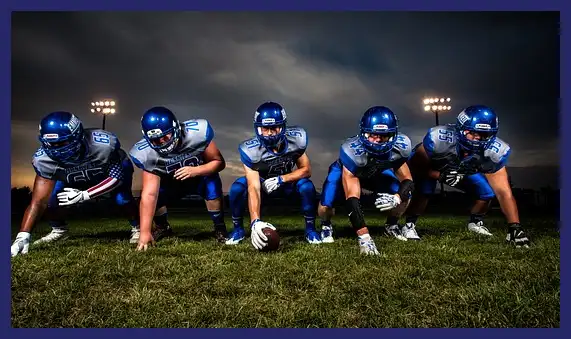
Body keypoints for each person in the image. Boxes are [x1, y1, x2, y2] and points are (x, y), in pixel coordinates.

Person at [11, 111, 139, 257]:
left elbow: (117, 177)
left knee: (122, 199)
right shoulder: (43, 160)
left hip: (105, 173)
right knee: (52, 199)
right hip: (71, 178)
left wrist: (85, 195)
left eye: (63, 142)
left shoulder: (102, 145)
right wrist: (23, 235)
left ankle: (138, 227)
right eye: (52, 144)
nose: (58, 149)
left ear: (78, 135)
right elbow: (38, 202)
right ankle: (59, 230)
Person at [404, 105, 530, 247]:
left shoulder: (495, 152)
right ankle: (409, 225)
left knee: (486, 193)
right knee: (425, 190)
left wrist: (515, 227)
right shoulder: (439, 139)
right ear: (460, 129)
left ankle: (475, 222)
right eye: (472, 132)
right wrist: (440, 175)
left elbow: (504, 192)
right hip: (432, 167)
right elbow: (415, 166)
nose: (477, 139)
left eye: (483, 135)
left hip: (462, 169)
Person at [317, 106, 415, 255]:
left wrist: (397, 197)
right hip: (350, 171)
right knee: (326, 204)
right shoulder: (351, 152)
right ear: (363, 133)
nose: (377, 140)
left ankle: (391, 225)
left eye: (383, 135)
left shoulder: (401, 147)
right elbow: (352, 198)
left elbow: (408, 180)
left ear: (393, 134)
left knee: (404, 194)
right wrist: (364, 237)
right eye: (372, 135)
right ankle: (325, 224)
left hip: (376, 172)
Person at [129, 106, 228, 251]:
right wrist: (145, 232)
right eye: (156, 140)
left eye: (166, 136)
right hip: (171, 182)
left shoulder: (197, 134)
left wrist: (196, 170)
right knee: (154, 195)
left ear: (176, 128)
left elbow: (219, 162)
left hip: (199, 177)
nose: (162, 142)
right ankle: (163, 226)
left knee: (212, 183)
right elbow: (150, 194)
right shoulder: (145, 153)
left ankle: (219, 227)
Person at [225, 102, 320, 250]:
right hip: (262, 185)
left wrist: (282, 179)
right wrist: (255, 221)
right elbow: (254, 187)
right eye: (265, 129)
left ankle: (310, 230)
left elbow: (306, 170)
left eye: (273, 128)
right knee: (237, 188)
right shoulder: (250, 150)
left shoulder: (296, 140)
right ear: (258, 128)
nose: (269, 133)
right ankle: (238, 229)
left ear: (282, 127)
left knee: (307, 186)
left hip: (286, 184)